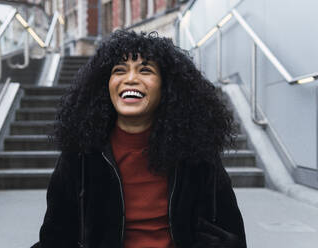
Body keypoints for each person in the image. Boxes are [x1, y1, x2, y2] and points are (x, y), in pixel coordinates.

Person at [32, 30, 246, 248]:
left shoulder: (196, 153)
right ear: (105, 85)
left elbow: (230, 232)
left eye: (145, 70)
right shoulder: (81, 154)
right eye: (119, 71)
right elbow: (56, 235)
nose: (131, 79)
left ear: (167, 87)